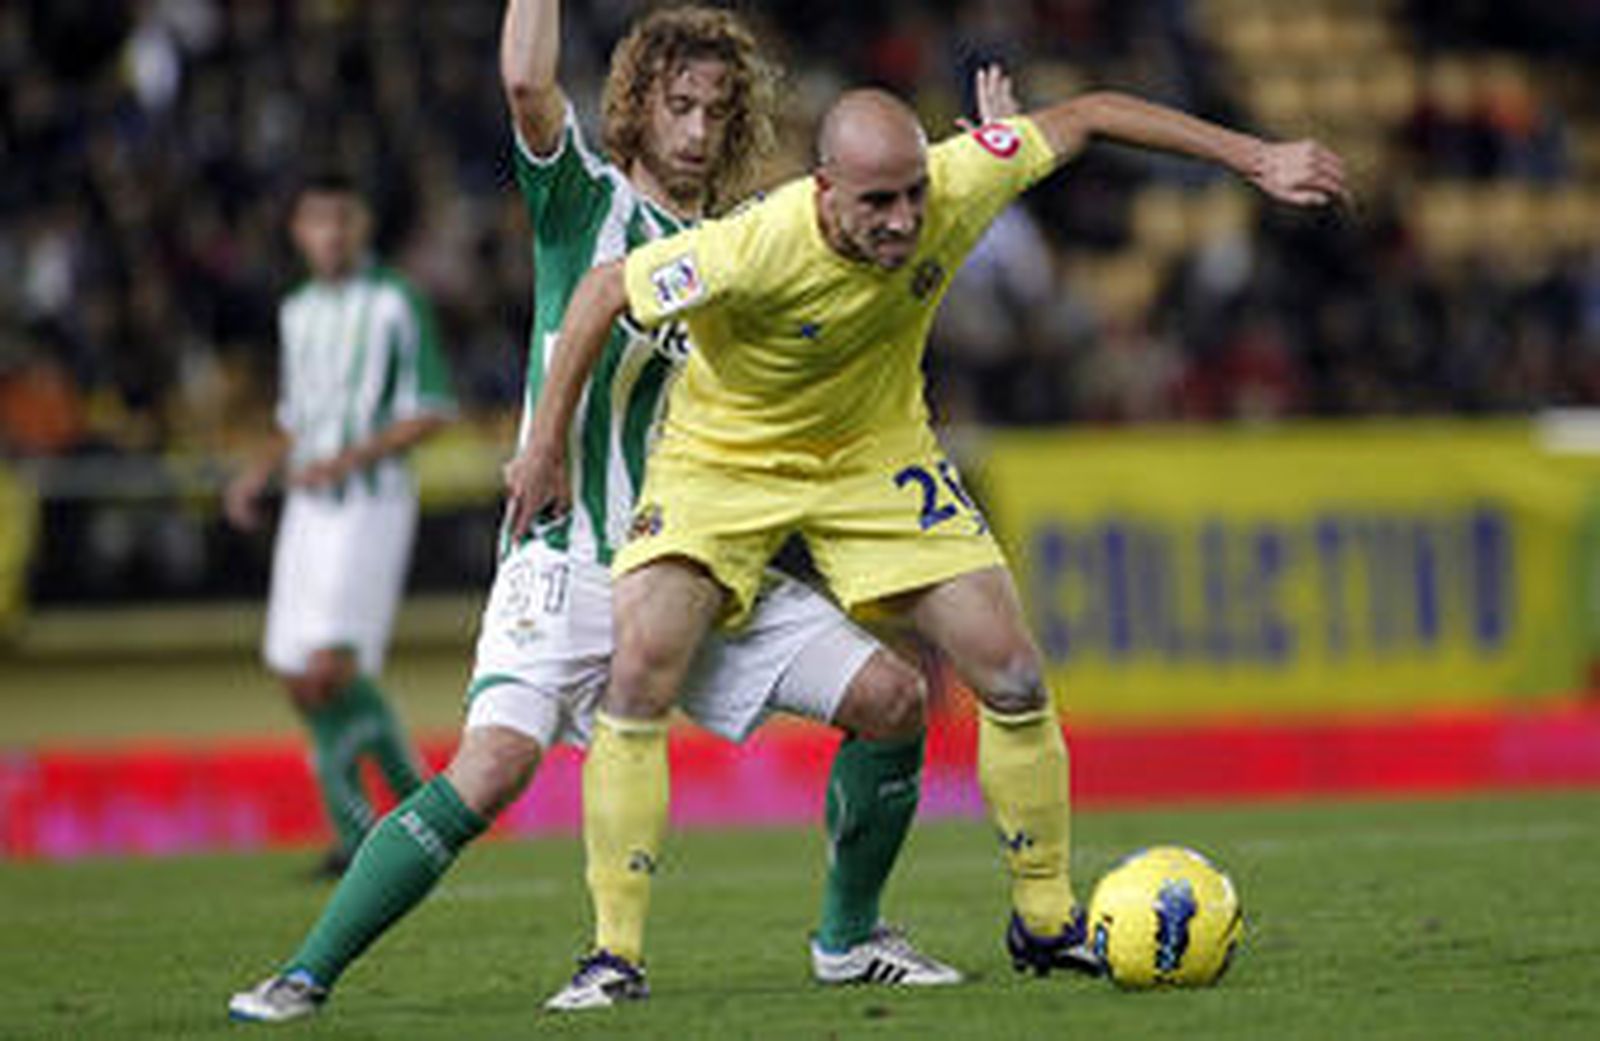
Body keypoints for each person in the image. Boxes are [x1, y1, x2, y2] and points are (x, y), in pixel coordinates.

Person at [228, 2, 968, 1024]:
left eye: (717, 109)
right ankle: (302, 975)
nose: (699, 130)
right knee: (488, 771)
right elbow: (529, 83)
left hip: (698, 565)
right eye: (678, 107)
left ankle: (848, 940)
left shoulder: (741, 246)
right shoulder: (583, 202)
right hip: (569, 554)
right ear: (638, 109)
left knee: (891, 699)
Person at [508, 82, 1348, 978]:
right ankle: (614, 954)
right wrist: (545, 444)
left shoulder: (959, 179)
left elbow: (1093, 114)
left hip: (875, 452)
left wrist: (1256, 157)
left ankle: (1043, 919)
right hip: (725, 461)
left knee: (1014, 671)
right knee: (642, 662)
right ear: (825, 188)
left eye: (914, 192)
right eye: (878, 200)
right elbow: (601, 293)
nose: (906, 217)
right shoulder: (753, 244)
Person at [223, 171, 455, 880]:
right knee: (297, 672)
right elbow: (298, 417)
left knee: (331, 667)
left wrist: (348, 458)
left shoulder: (396, 302)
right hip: (308, 507)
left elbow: (432, 407)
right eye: (316, 220)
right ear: (297, 230)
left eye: (342, 219)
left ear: (363, 227)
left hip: (370, 503)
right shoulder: (297, 310)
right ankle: (419, 806)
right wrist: (259, 471)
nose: (330, 233)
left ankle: (367, 830)